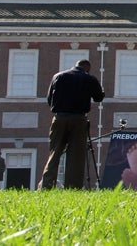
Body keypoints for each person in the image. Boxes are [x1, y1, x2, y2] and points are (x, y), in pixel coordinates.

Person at [39, 58, 105, 190]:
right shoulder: (89, 79)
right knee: (76, 155)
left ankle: (46, 186)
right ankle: (73, 187)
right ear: (87, 68)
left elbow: (49, 100)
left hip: (59, 118)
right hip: (78, 119)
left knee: (55, 151)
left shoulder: (58, 76)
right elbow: (99, 97)